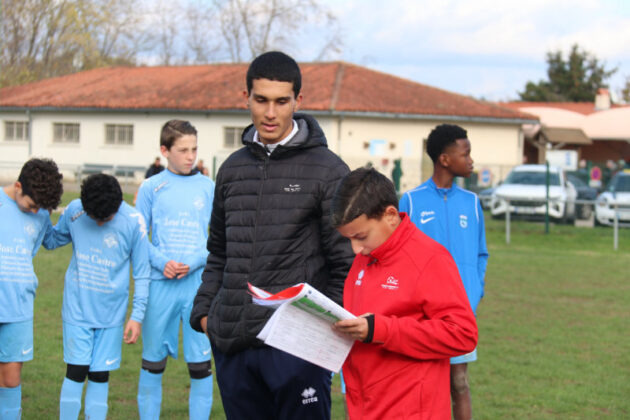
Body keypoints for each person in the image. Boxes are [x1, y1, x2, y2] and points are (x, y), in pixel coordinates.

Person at [190, 51, 354, 420]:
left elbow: (347, 262)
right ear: (245, 97)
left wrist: (321, 332)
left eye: (281, 101)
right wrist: (205, 313)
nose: (270, 113)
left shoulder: (329, 170)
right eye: (260, 100)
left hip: (297, 351)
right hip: (234, 345)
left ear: (298, 100)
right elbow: (218, 252)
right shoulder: (231, 170)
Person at [331, 167, 478, 420]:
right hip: (365, 406)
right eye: (349, 239)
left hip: (410, 410)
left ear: (390, 215)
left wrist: (382, 330)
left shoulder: (430, 259)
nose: (355, 249)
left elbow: (462, 334)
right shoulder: (365, 257)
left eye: (361, 236)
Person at [399, 124, 489, 420]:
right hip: (422, 315)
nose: (472, 160)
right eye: (466, 153)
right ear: (445, 159)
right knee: (423, 385)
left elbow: (480, 254)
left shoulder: (473, 203)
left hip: (460, 312)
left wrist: (474, 290)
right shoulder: (411, 202)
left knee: (459, 382)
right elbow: (400, 255)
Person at [45, 174, 150, 420]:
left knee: (100, 375)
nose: (101, 223)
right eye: (96, 218)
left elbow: (143, 273)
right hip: (77, 309)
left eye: (107, 218)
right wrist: (40, 212)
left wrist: (137, 316)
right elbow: (52, 240)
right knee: (76, 371)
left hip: (112, 315)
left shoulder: (134, 221)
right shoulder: (75, 211)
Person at [136, 120, 215, 420]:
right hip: (161, 286)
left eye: (194, 149)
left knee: (200, 366)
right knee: (153, 364)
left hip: (197, 287)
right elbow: (138, 235)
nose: (190, 156)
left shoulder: (208, 187)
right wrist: (161, 262)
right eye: (183, 150)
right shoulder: (150, 187)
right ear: (164, 150)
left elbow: (219, 238)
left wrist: (195, 261)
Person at [0, 158, 63, 419]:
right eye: (32, 205)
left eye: (42, 209)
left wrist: (79, 218)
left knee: (11, 379)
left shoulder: (41, 214)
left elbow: (51, 239)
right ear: (17, 186)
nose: (36, 212)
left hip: (19, 305)